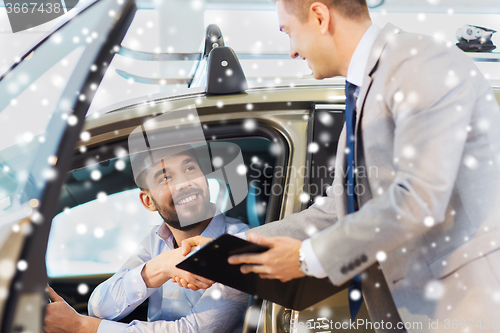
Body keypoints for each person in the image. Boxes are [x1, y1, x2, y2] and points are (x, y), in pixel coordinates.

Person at [181, 0, 500, 332]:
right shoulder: (363, 96)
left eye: (289, 32)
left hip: (465, 306)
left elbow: (419, 197)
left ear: (320, 17)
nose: (292, 51)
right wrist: (232, 249)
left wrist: (306, 258)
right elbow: (337, 211)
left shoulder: (419, 62)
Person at [43, 146, 250, 333]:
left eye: (189, 169)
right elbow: (99, 306)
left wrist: (81, 326)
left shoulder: (240, 242)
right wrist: (162, 266)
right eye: (165, 178)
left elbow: (196, 331)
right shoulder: (157, 240)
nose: (184, 184)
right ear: (148, 201)